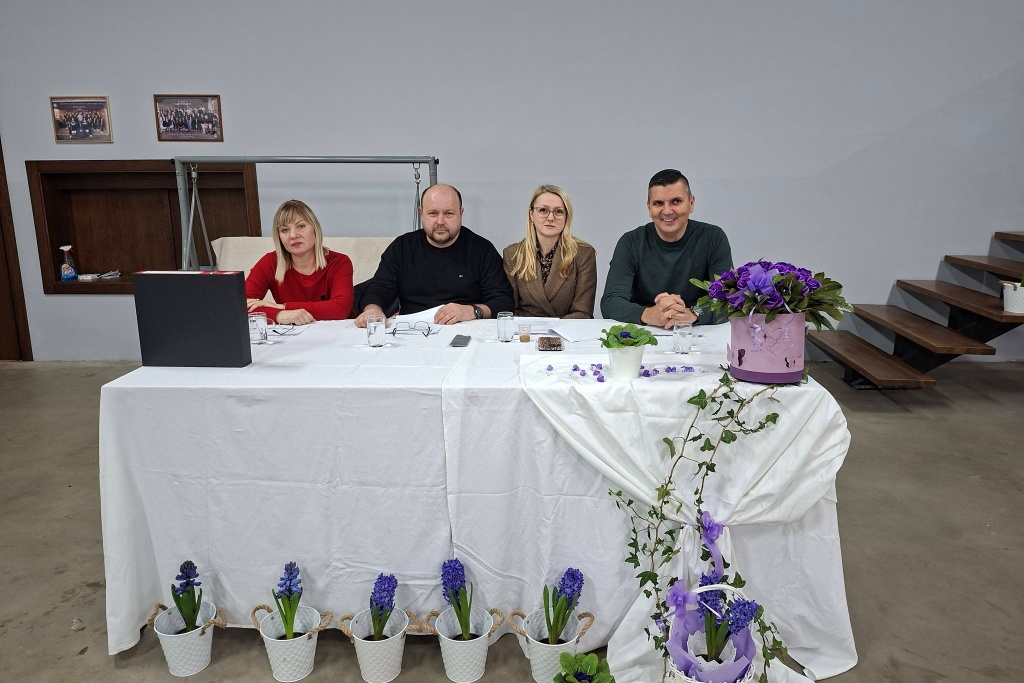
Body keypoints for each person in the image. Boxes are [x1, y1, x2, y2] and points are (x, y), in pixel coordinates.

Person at [355, 184, 513, 326]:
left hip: (467, 332)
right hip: (412, 332)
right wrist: (373, 310)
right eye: (433, 213)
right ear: (421, 213)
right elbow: (378, 290)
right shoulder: (402, 247)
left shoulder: (482, 249)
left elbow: (504, 302)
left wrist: (472, 311)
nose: (440, 221)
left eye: (449, 213)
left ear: (461, 213)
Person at [600, 169, 733, 327]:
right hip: (643, 332)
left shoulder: (713, 238)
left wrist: (693, 313)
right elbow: (611, 301)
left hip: (696, 331)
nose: (667, 211)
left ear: (691, 203)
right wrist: (649, 314)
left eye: (676, 201)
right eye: (658, 203)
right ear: (649, 208)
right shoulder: (630, 242)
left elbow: (727, 299)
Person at [245, 199, 354, 324]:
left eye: (301, 226)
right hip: (291, 333)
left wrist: (282, 307)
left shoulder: (339, 262)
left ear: (315, 229)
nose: (293, 235)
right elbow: (240, 306)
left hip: (336, 332)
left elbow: (340, 309)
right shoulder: (270, 262)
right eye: (285, 230)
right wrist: (279, 315)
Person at [502, 185, 597, 318]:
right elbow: (510, 309)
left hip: (567, 329)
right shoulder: (512, 254)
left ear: (566, 216)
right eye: (543, 210)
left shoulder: (583, 254)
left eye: (559, 211)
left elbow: (583, 312)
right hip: (525, 330)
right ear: (531, 214)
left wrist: (553, 328)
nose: (551, 217)